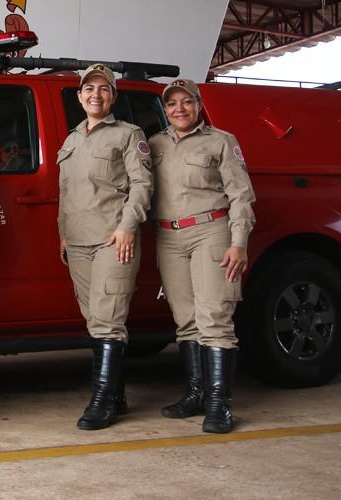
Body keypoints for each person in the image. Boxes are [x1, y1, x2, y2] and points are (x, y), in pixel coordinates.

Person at [149, 79, 256, 434]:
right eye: (172, 104)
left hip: (211, 231)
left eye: (186, 102)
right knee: (186, 320)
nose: (179, 109)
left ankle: (219, 404)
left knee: (215, 317)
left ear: (198, 105)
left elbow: (241, 196)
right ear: (165, 109)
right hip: (169, 236)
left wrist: (238, 242)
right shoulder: (154, 145)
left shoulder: (221, 141)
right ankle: (195, 394)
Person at [57, 64, 154, 430]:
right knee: (94, 319)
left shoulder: (129, 135)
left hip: (114, 238)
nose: (95, 95)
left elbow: (142, 184)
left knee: (109, 319)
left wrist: (128, 227)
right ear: (80, 95)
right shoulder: (71, 139)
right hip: (78, 241)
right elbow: (65, 192)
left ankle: (102, 402)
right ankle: (117, 393)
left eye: (103, 89)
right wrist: (63, 233)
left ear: (113, 96)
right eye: (89, 89)